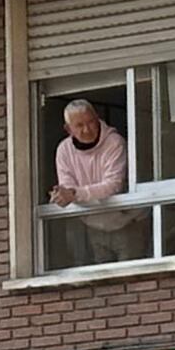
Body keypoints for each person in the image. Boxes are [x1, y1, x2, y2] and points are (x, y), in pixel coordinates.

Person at [44, 94, 127, 265]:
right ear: (68, 129)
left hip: (127, 222)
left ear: (98, 119)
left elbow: (114, 185)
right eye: (79, 125)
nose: (87, 129)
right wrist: (63, 195)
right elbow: (67, 188)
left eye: (90, 122)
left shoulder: (114, 142)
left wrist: (74, 194)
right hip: (92, 227)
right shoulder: (64, 150)